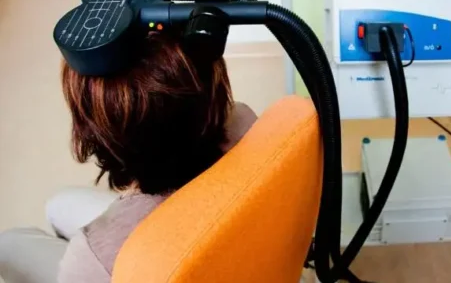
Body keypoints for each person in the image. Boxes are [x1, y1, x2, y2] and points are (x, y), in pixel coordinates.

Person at [0, 32, 258, 283]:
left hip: (136, 256)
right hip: (216, 231)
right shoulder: (243, 121)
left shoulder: (94, 258)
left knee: (8, 244)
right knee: (59, 204)